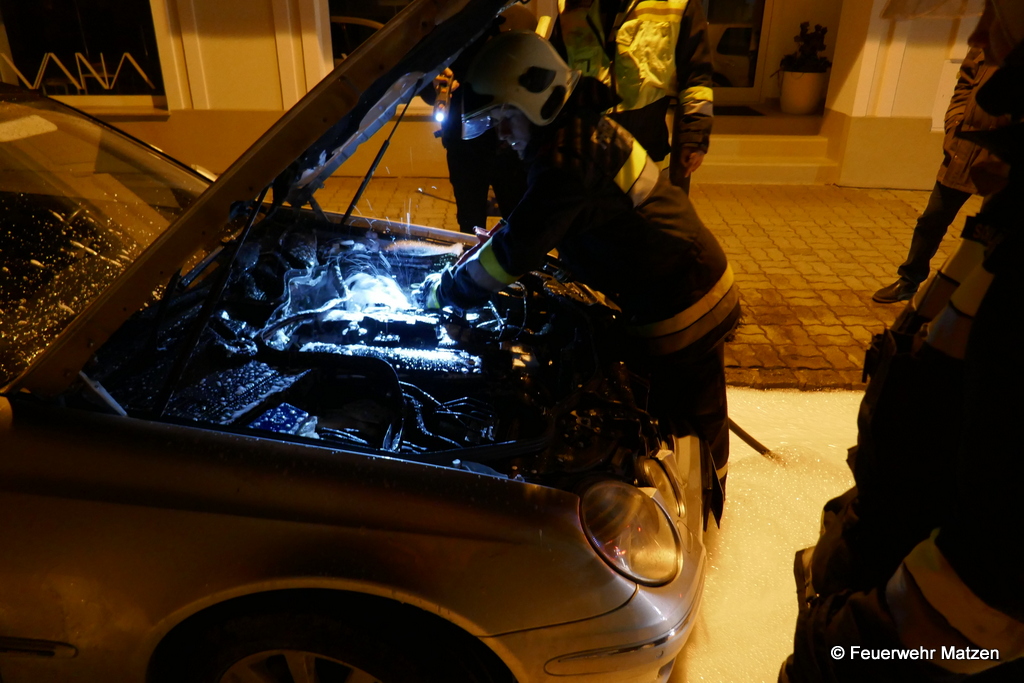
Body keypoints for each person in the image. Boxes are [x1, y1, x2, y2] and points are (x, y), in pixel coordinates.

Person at [779, 1, 1024, 680]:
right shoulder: (999, 228)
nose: (978, 34)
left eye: (997, 11)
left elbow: (986, 591)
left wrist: (844, 644)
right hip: (881, 560)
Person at [422, 30, 740, 523]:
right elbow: (543, 221)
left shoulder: (568, 158)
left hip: (685, 297)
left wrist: (449, 290)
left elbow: (517, 249)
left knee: (691, 423)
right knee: (663, 407)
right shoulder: (575, 132)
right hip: (669, 286)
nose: (502, 135)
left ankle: (704, 516)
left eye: (505, 118)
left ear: (535, 99)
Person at [872, 45, 1010, 304]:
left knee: (989, 232)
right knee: (932, 219)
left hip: (1004, 152)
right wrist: (954, 123)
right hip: (965, 145)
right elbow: (965, 83)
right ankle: (909, 280)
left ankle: (978, 295)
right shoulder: (990, 36)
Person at [550, 0, 714, 193]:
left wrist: (694, 137)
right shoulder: (571, 5)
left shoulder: (677, 4)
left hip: (646, 151)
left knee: (648, 209)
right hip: (584, 155)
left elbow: (696, 78)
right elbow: (553, 75)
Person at [420, 6, 533, 234]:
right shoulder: (446, 28)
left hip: (508, 145)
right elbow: (427, 90)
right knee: (470, 224)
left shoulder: (515, 19)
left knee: (519, 222)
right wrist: (434, 82)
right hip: (463, 145)